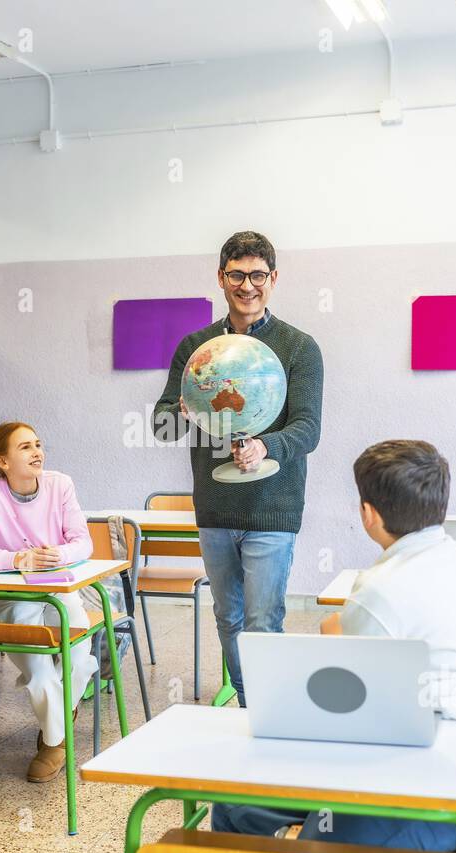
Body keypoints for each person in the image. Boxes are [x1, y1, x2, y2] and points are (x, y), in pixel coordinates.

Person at [213, 440, 456, 849]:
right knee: (250, 806)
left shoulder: (378, 588)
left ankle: (295, 848)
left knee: (255, 811)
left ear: (368, 514)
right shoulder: (453, 555)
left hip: (443, 796)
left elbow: (348, 708)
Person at [151, 230, 323, 705]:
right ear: (220, 278)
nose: (247, 285)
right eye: (236, 275)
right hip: (215, 508)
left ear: (274, 279)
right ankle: (250, 704)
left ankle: (267, 710)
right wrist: (179, 411)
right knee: (227, 617)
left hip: (274, 508)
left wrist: (266, 448)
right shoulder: (196, 348)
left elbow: (308, 429)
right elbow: (161, 429)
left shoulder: (299, 347)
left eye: (257, 275)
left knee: (263, 621)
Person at [0, 422, 96, 783]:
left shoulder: (60, 484)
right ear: (3, 460)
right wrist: (16, 560)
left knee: (78, 659)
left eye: (38, 444)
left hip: (59, 587)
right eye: (25, 447)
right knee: (39, 670)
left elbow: (84, 543)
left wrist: (55, 554)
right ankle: (54, 742)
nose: (37, 453)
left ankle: (54, 726)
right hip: (15, 595)